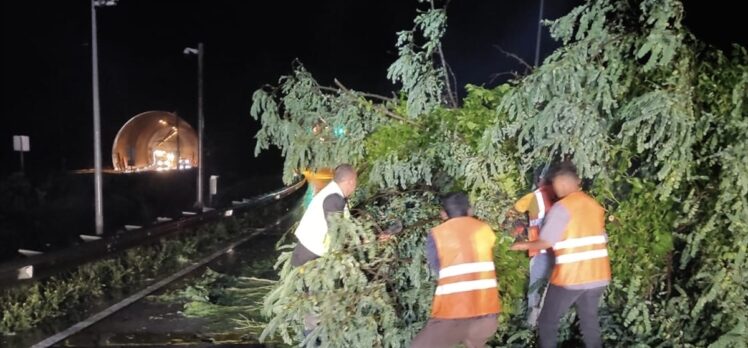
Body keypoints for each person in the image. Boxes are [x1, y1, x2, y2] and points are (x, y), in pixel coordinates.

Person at [510, 162, 610, 348]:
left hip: (571, 277)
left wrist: (520, 245)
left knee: (547, 323)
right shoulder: (594, 205)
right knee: (589, 324)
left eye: (554, 183)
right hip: (598, 276)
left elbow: (546, 241)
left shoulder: (562, 207)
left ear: (562, 183)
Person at [411, 192, 500, 348]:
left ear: (443, 214)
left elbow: (439, 269)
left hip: (453, 314)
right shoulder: (485, 230)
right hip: (488, 316)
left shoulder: (437, 235)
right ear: (470, 210)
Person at [511, 167, 557, 327]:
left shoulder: (533, 196)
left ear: (538, 180)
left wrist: (520, 228)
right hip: (561, 250)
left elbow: (514, 210)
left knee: (535, 288)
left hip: (540, 250)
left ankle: (532, 325)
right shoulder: (561, 194)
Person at [291, 164, 357, 267]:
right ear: (351, 181)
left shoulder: (331, 192)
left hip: (306, 252)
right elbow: (335, 232)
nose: (355, 186)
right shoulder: (334, 198)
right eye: (355, 181)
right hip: (311, 257)